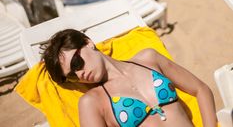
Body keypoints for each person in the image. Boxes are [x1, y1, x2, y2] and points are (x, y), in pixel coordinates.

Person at [42, 29, 218, 127]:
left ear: (88, 43)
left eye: (76, 63)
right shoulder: (93, 101)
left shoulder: (149, 59)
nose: (79, 74)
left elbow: (201, 89)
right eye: (71, 76)